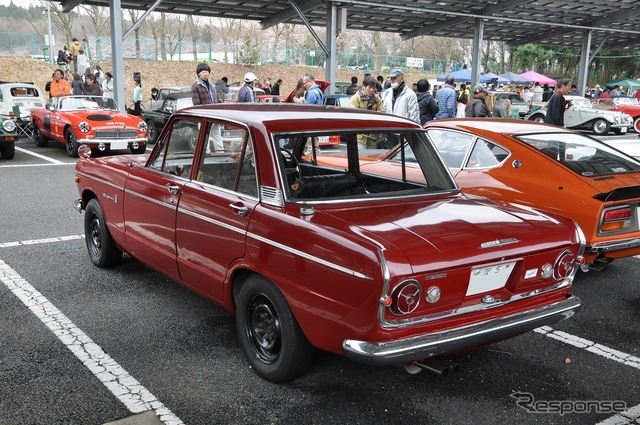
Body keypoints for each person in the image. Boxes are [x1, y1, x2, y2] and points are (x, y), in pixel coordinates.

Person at [349, 75, 385, 148]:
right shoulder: (355, 99)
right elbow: (353, 116)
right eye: (369, 87)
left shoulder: (376, 98)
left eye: (373, 88)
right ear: (363, 86)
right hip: (360, 138)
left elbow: (382, 113)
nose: (371, 90)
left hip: (373, 138)